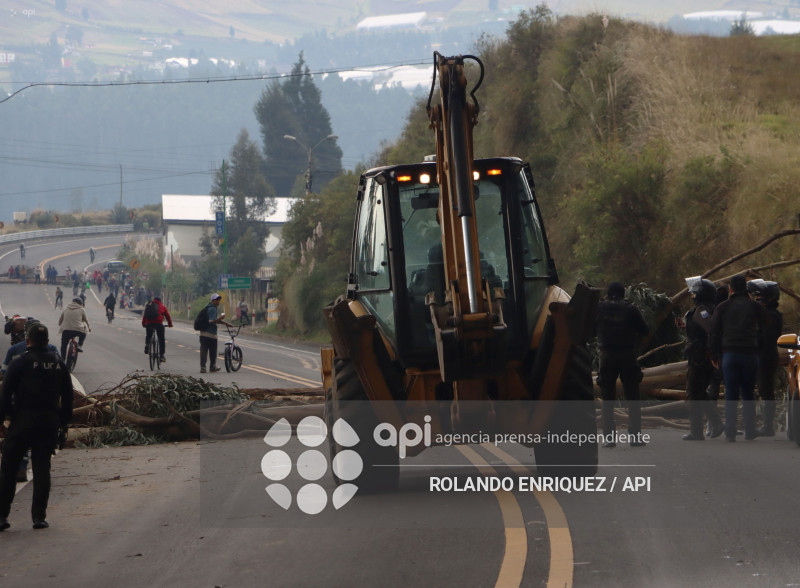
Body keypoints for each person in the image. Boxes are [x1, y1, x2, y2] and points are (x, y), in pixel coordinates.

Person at [0, 323, 73, 531]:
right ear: (47, 341)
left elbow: (5, 395)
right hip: (48, 422)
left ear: (28, 341)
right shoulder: (58, 363)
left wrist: (6, 418)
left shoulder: (19, 362)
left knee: (9, 468)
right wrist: (62, 423)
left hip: (22, 420)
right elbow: (68, 397)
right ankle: (39, 517)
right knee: (42, 469)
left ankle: (2, 516)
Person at [710, 274, 766, 442]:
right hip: (749, 353)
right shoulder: (755, 306)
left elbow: (714, 332)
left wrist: (714, 354)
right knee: (748, 392)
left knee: (731, 393)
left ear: (731, 289)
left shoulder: (722, 307)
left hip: (729, 354)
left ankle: (730, 432)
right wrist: (759, 347)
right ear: (746, 288)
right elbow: (765, 329)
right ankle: (750, 430)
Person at [595, 282, 650, 448]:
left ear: (608, 293)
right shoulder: (631, 309)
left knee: (607, 398)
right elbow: (645, 330)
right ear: (623, 294)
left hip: (606, 355)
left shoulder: (599, 308)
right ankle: (635, 437)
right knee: (632, 396)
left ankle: (609, 438)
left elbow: (589, 329)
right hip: (628, 355)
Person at [679, 277, 724, 441]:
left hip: (700, 358)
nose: (692, 294)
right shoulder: (707, 309)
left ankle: (704, 428)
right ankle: (705, 427)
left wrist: (710, 352)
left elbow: (710, 331)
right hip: (701, 356)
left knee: (694, 392)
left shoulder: (702, 311)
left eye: (694, 292)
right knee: (698, 392)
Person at [747, 279, 783, 437]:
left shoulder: (770, 315)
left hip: (766, 356)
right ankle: (763, 425)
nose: (756, 299)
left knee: (766, 390)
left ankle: (768, 426)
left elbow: (767, 338)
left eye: (759, 297)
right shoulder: (767, 314)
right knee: (763, 390)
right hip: (762, 355)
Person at [198, 294, 231, 374]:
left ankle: (203, 367)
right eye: (217, 300)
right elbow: (211, 321)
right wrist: (219, 319)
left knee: (203, 351)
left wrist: (225, 323)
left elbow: (213, 320)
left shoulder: (207, 308)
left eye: (219, 300)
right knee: (213, 352)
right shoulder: (212, 309)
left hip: (203, 333)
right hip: (211, 334)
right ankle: (212, 367)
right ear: (213, 301)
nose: (218, 302)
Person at [142, 296, 173, 362]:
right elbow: (167, 316)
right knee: (161, 339)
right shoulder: (162, 306)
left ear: (153, 300)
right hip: (158, 324)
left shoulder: (149, 305)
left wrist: (144, 324)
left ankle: (147, 345)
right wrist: (170, 324)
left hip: (149, 324)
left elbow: (145, 315)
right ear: (160, 301)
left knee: (148, 335)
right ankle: (161, 355)